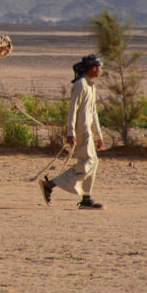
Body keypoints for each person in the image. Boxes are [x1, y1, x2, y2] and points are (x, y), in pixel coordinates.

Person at [40, 54, 106, 210]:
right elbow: (72, 111)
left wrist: (99, 136)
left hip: (88, 130)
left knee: (92, 164)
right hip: (80, 131)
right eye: (100, 67)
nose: (101, 71)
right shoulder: (80, 85)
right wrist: (71, 132)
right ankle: (50, 184)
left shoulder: (91, 86)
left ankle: (86, 199)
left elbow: (94, 112)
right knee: (90, 162)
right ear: (94, 67)